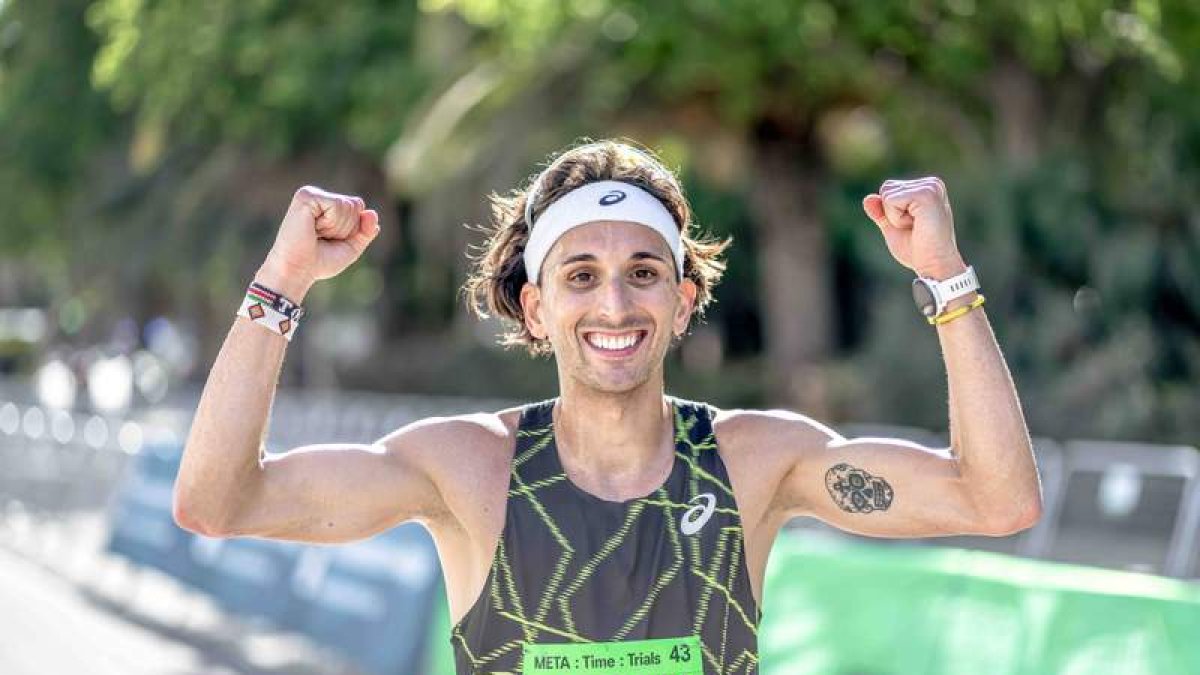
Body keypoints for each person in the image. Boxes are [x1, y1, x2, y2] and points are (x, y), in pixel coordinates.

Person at [174, 140, 1042, 674]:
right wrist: (282, 283)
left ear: (685, 298)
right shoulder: (465, 469)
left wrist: (946, 278)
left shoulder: (753, 461)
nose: (616, 306)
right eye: (580, 276)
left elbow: (996, 499)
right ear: (535, 307)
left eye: (643, 273)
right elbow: (217, 501)